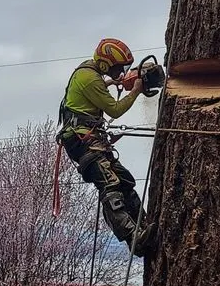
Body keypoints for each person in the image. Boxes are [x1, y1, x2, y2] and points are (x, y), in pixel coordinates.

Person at [58, 38, 155, 257]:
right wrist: (136, 91)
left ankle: (144, 223)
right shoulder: (89, 78)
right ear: (104, 64)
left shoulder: (90, 73)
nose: (120, 71)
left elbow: (91, 93)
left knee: (125, 181)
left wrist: (111, 83)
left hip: (92, 141)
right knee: (110, 185)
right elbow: (115, 110)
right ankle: (133, 237)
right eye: (117, 68)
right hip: (82, 142)